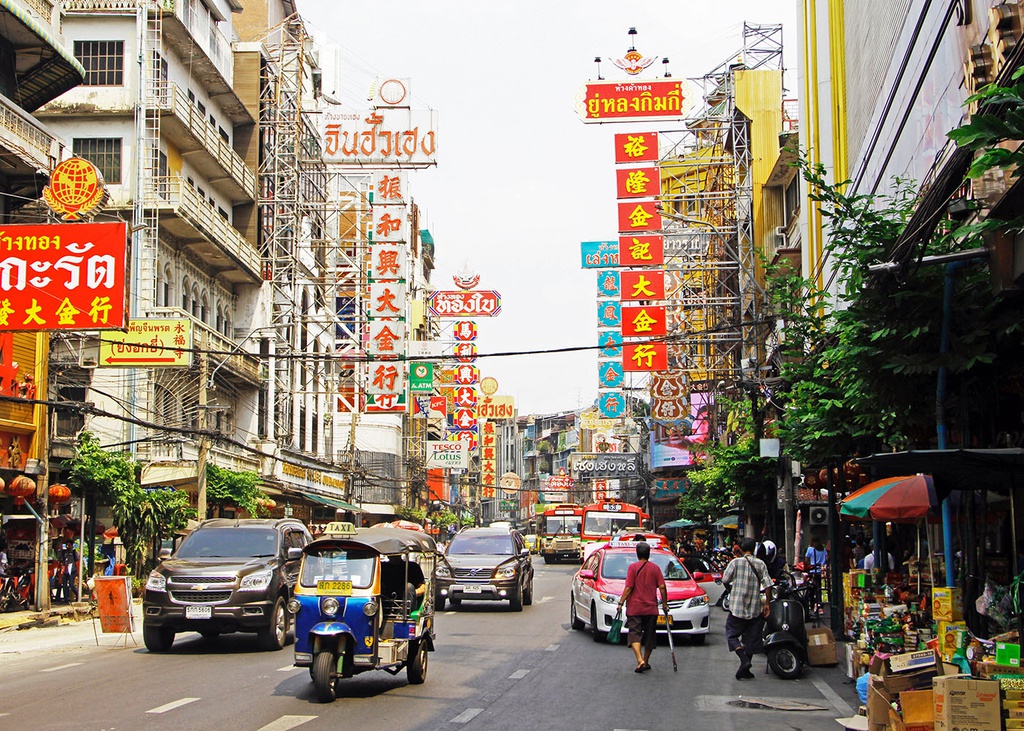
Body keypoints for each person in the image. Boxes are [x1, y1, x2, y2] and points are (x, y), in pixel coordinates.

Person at [721, 537, 773, 680]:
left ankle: (744, 660)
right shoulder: (760, 564)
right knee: (751, 638)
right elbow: (768, 585)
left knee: (731, 634)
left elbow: (725, 580)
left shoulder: (735, 562)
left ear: (740, 549)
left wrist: (731, 590)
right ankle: (745, 666)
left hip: (737, 607)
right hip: (754, 607)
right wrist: (767, 604)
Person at [616, 542, 670, 674]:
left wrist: (621, 602)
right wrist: (664, 604)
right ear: (649, 554)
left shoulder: (633, 568)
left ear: (637, 554)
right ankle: (645, 661)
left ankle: (640, 660)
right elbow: (662, 587)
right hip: (651, 608)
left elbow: (629, 587)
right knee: (650, 635)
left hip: (635, 607)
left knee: (635, 633)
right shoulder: (655, 568)